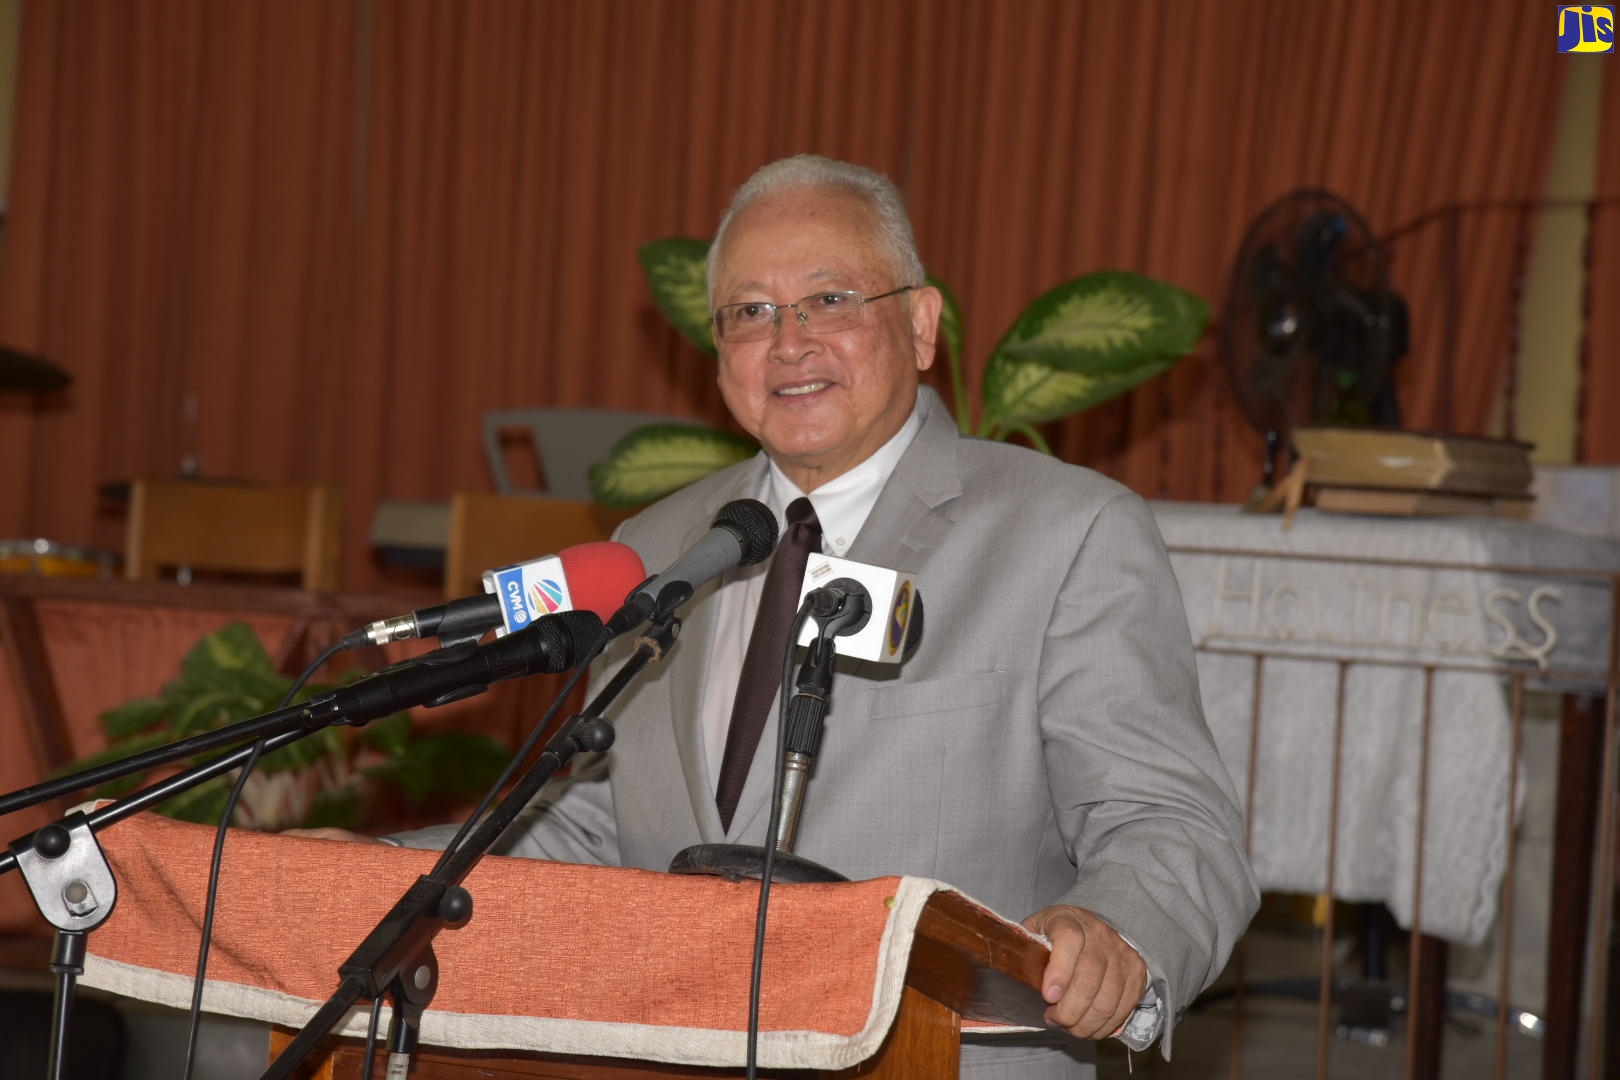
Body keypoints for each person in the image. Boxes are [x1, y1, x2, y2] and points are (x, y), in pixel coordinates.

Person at [304, 155, 1258, 1077]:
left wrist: (1114, 933)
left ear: (922, 328)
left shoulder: (1066, 533)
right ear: (721, 362)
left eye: (831, 299)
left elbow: (1171, 823)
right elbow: (589, 828)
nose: (789, 341)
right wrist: (386, 880)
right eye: (751, 312)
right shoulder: (663, 542)